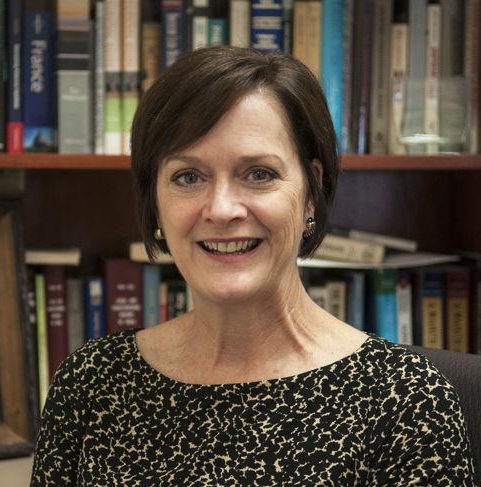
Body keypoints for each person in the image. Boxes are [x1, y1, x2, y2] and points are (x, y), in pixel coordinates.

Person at [31, 46, 476, 485]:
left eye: (259, 173)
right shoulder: (90, 384)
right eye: (188, 177)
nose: (222, 210)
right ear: (155, 203)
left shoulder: (405, 400)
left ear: (310, 191)